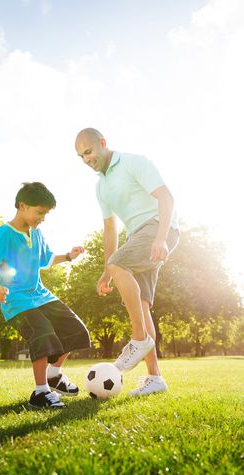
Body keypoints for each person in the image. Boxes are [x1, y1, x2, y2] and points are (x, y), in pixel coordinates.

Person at [74, 127, 180, 396]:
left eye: (88, 152)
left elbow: (166, 197)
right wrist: (107, 271)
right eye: (81, 156)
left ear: (102, 143)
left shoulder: (134, 162)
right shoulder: (101, 187)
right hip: (136, 237)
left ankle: (139, 339)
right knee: (142, 304)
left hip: (157, 228)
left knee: (120, 267)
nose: (86, 159)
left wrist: (161, 238)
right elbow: (110, 230)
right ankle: (155, 379)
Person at [0, 182, 91, 409]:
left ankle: (54, 375)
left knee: (75, 329)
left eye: (45, 214)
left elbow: (45, 259)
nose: (43, 218)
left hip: (41, 295)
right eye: (40, 212)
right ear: (22, 206)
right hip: (17, 299)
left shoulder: (37, 233)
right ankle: (40, 392)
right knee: (43, 332)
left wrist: (68, 256)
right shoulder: (4, 233)